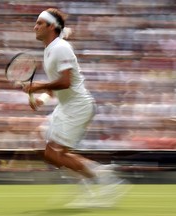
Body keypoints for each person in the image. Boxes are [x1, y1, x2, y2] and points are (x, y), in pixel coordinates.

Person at [23, 8, 124, 208]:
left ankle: (105, 180)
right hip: (65, 106)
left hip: (78, 107)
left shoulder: (60, 48)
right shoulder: (50, 49)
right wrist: (42, 99)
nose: (35, 27)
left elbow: (66, 82)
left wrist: (39, 86)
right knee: (39, 144)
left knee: (55, 153)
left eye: (39, 23)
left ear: (51, 27)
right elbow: (56, 86)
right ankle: (88, 186)